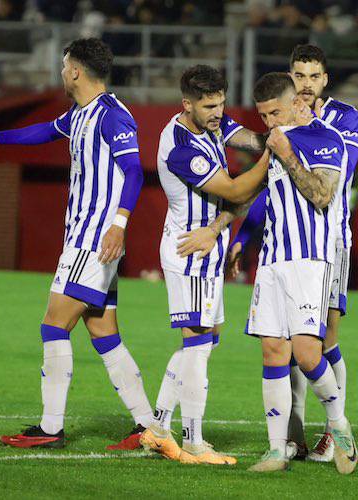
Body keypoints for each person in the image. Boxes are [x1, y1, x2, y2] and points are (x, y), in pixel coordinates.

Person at [0, 38, 154, 450]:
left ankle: (51, 429)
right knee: (105, 335)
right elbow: (44, 131)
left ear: (77, 71)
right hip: (89, 240)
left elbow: (134, 172)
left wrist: (119, 224)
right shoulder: (80, 114)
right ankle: (147, 425)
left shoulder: (111, 116)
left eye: (65, 65)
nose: (62, 72)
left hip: (94, 240)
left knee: (53, 325)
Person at [227, 44, 358, 461]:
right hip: (274, 254)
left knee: (317, 348)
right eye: (298, 75)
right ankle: (287, 441)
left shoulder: (339, 124)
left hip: (325, 245)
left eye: (313, 77)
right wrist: (235, 234)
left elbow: (329, 189)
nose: (306, 84)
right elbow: (261, 188)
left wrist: (288, 146)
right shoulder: (277, 132)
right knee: (276, 351)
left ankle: (336, 427)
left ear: (324, 79)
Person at [139, 65, 269, 466]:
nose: (218, 112)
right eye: (209, 106)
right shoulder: (179, 146)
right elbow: (233, 188)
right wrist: (275, 157)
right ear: (187, 104)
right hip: (190, 249)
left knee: (206, 339)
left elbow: (252, 139)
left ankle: (159, 428)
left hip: (209, 245)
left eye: (222, 103)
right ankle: (193, 441)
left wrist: (279, 136)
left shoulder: (212, 123)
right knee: (197, 343)